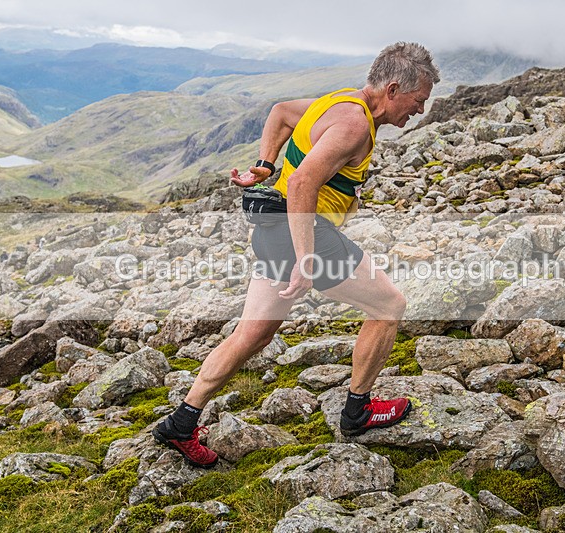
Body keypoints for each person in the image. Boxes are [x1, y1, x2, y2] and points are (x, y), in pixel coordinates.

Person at [153, 42, 440, 468]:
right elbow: (304, 183)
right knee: (389, 305)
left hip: (272, 231)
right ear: (394, 88)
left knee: (252, 334)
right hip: (304, 234)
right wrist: (307, 259)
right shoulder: (354, 126)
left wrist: (264, 166)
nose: (418, 112)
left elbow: (282, 111)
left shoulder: (339, 101)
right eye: (418, 102)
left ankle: (181, 421)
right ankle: (358, 412)